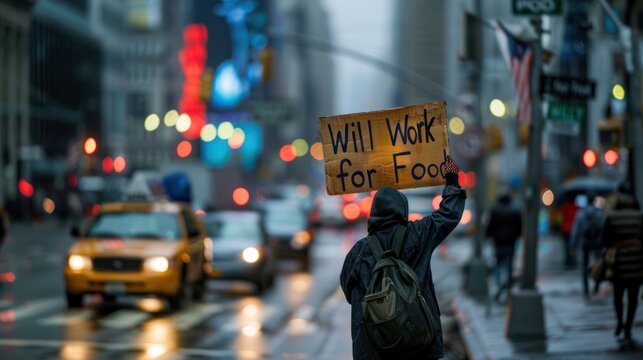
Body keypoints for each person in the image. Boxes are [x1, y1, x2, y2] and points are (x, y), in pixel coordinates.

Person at [340, 155, 465, 359]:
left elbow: (348, 291)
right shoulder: (418, 234)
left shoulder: (358, 252)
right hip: (418, 341)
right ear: (402, 209)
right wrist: (451, 178)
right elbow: (449, 214)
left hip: (375, 347)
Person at [601, 181, 643, 347]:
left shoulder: (611, 217)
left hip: (618, 263)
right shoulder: (639, 216)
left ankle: (619, 321)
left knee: (618, 296)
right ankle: (628, 327)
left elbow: (605, 239)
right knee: (633, 298)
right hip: (636, 262)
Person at [485, 193, 522, 301]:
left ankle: (499, 286)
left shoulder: (494, 210)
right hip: (510, 243)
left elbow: (490, 226)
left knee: (497, 265)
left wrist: (488, 236)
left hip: (498, 243)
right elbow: (519, 228)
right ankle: (509, 288)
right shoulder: (515, 211)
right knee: (510, 266)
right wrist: (515, 237)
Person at [570, 193, 605, 297]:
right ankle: (596, 286)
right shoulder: (599, 213)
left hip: (586, 242)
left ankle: (585, 289)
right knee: (599, 264)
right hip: (597, 242)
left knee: (584, 266)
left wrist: (573, 244)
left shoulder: (581, 214)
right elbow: (604, 227)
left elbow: (576, 230)